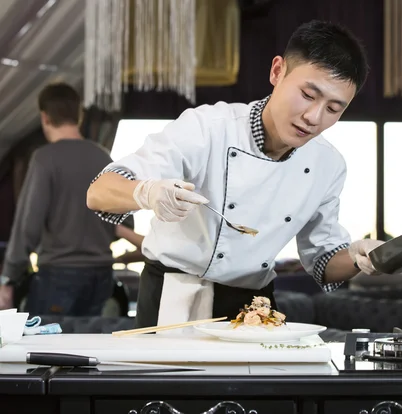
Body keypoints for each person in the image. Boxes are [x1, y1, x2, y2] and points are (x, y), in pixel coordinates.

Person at [87, 20, 385, 329]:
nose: (314, 117)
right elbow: (99, 192)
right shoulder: (207, 128)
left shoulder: (328, 164)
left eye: (334, 108)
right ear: (277, 71)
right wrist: (146, 192)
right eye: (308, 95)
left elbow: (323, 261)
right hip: (175, 298)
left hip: (253, 308)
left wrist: (363, 259)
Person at [0, 82, 138, 316]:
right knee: (89, 348)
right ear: (79, 116)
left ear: (44, 118)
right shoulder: (103, 157)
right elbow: (124, 222)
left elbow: (28, 225)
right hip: (102, 276)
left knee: (47, 347)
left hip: (58, 274)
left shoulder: (45, 158)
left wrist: (9, 277)